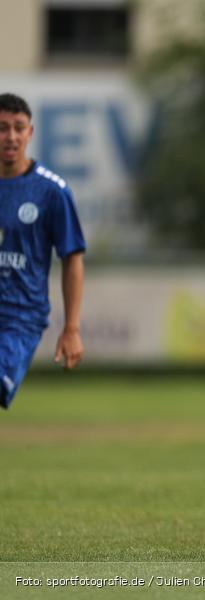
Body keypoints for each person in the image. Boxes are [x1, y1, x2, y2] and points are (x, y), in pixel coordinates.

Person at [1, 93, 85, 410]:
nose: (10, 136)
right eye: (2, 128)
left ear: (30, 133)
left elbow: (72, 257)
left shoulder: (51, 191)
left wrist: (72, 328)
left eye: (18, 128)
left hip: (18, 319)